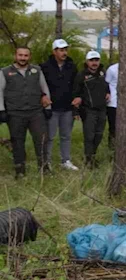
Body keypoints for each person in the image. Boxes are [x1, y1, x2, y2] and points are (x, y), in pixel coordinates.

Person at [0, 46, 52, 179]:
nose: (23, 58)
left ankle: (44, 169)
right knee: (17, 142)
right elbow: (0, 92)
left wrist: (47, 108)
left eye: (26, 55)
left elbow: (44, 88)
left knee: (41, 140)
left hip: (36, 112)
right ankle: (20, 171)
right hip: (15, 113)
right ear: (15, 56)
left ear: (30, 56)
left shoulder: (36, 70)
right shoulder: (5, 72)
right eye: (20, 55)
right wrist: (1, 110)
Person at [40, 38, 79, 171]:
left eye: (65, 50)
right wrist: (43, 96)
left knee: (66, 136)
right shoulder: (44, 67)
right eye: (61, 50)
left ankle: (65, 160)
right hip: (51, 108)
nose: (64, 53)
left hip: (67, 107)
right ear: (54, 51)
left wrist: (77, 97)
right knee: (49, 137)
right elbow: (39, 86)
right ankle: (47, 162)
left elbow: (76, 85)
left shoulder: (72, 66)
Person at [71, 51, 109, 168]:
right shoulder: (81, 75)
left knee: (99, 134)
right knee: (89, 136)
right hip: (88, 110)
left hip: (102, 109)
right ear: (87, 62)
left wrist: (108, 92)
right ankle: (89, 160)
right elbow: (76, 94)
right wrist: (75, 111)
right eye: (91, 60)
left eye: (96, 60)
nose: (94, 63)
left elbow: (107, 85)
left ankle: (93, 155)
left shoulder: (103, 72)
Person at [105, 62, 118, 149]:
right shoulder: (112, 69)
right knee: (113, 128)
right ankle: (112, 148)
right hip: (113, 103)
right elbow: (106, 84)